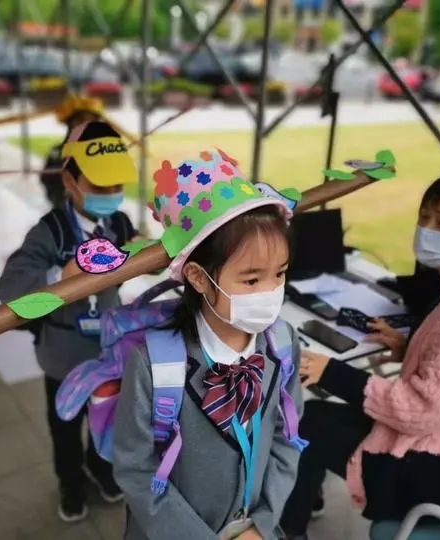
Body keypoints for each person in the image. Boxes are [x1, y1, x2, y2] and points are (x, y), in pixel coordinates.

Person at [281, 168, 440, 539]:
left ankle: (288, 528)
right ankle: (301, 504)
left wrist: (333, 372)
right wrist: (410, 348)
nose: (426, 229)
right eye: (424, 217)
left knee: (305, 423)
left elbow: (422, 410)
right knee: (314, 419)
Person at [113, 149, 305, 540]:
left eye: (280, 274)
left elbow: (288, 437)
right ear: (199, 278)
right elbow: (136, 469)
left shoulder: (282, 343)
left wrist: (263, 525)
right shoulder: (153, 364)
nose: (271, 292)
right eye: (251, 280)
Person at [0, 120, 138, 522]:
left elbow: (137, 250)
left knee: (106, 418)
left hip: (107, 354)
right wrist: (61, 276)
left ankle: (100, 467)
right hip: (62, 358)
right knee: (65, 425)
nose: (111, 196)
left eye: (116, 187)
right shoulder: (49, 233)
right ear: (70, 182)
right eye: (99, 186)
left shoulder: (118, 224)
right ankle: (70, 483)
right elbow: (10, 288)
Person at [40, 95, 106, 205]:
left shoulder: (104, 151)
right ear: (70, 124)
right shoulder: (57, 152)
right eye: (80, 120)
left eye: (90, 120)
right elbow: (46, 179)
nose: (85, 124)